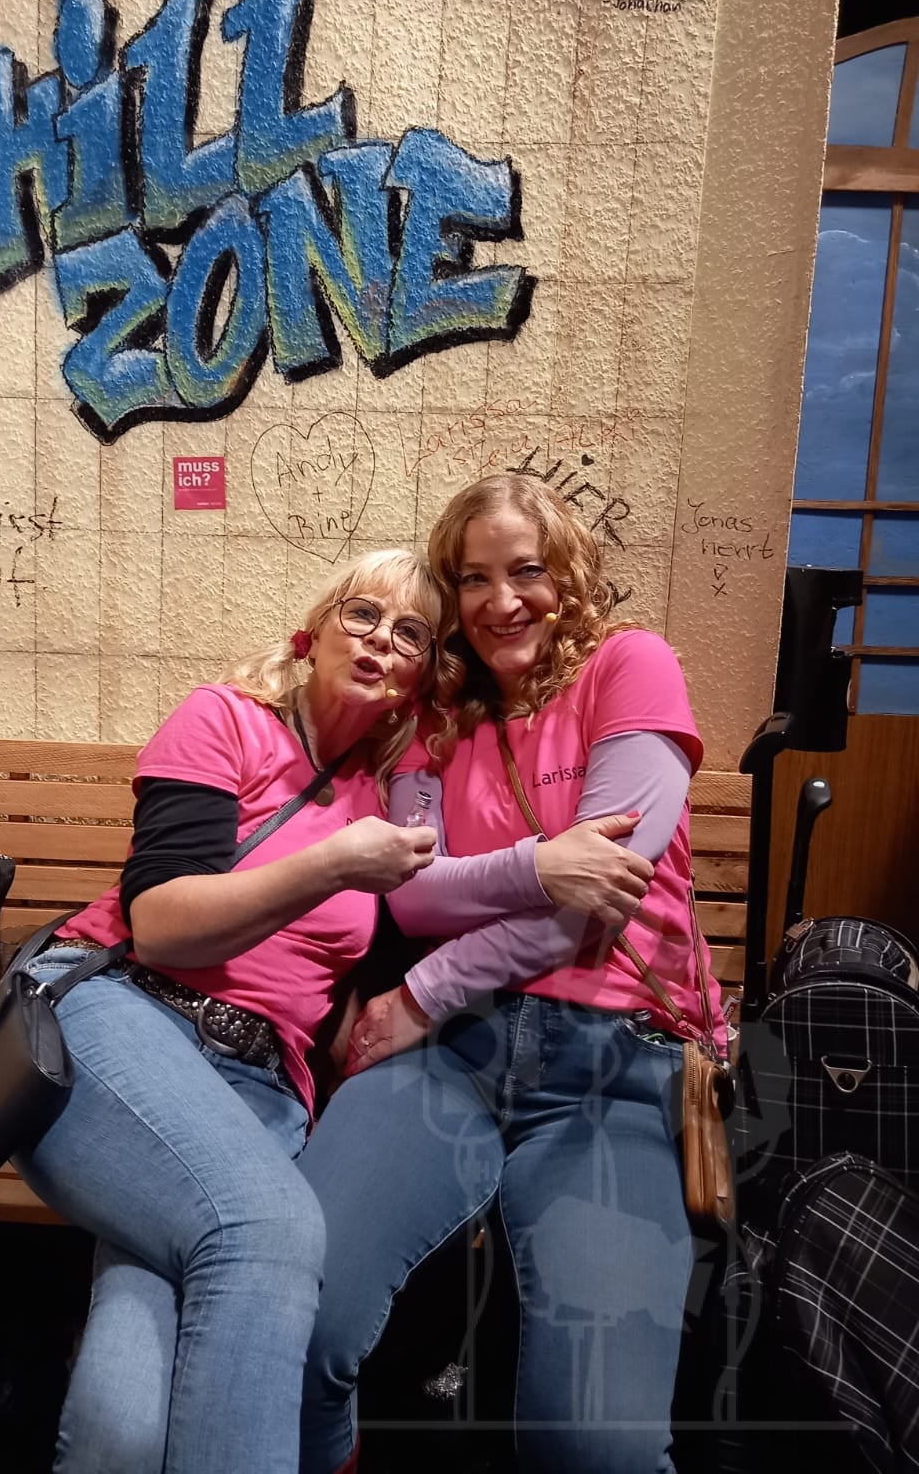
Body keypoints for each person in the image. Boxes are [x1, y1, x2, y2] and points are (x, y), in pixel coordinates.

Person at [298, 474, 724, 1474]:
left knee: (595, 1448)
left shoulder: (631, 666)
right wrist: (539, 866)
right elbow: (415, 897)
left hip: (611, 1072)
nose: (501, 601)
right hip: (454, 1056)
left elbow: (597, 897)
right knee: (297, 1324)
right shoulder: (438, 713)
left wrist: (421, 992)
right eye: (473, 578)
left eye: (525, 570)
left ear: (566, 573)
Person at [11, 549, 443, 1474]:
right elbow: (162, 926)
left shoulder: (389, 799)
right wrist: (331, 865)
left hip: (260, 1091)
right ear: (313, 631)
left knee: (120, 1438)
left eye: (411, 633)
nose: (381, 640)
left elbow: (350, 993)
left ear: (420, 679)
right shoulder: (226, 721)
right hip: (124, 1024)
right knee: (269, 1230)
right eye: (363, 614)